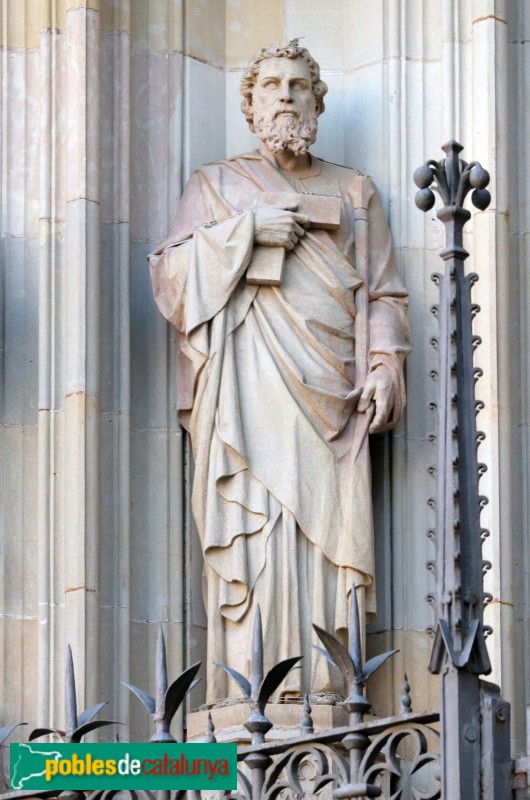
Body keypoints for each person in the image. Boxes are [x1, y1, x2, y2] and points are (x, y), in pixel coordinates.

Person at [149, 40, 411, 703]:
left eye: (298, 85)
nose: (286, 95)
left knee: (324, 542)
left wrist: (384, 365)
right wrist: (247, 232)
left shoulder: (353, 192)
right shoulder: (217, 185)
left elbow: (383, 294)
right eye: (271, 85)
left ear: (317, 102)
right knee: (256, 527)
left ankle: (326, 690)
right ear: (251, 104)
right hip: (246, 391)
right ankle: (248, 694)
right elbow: (170, 281)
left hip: (331, 396)